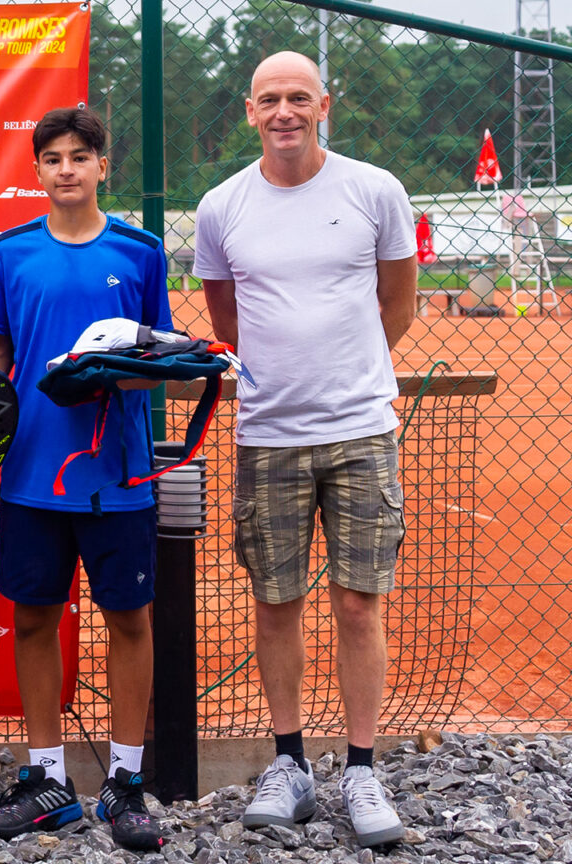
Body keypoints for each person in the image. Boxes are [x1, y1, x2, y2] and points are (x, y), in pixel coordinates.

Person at [0, 106, 169, 850]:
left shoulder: (142, 252)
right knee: (33, 620)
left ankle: (126, 784)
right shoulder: (11, 251)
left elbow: (155, 358)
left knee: (130, 621)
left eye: (80, 156)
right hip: (29, 474)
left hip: (118, 475)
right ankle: (48, 780)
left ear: (102, 166)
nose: (66, 169)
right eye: (53, 158)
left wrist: (112, 374)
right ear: (36, 170)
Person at [193, 51, 417, 849]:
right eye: (269, 99)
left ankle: (360, 769)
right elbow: (226, 319)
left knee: (359, 604)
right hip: (269, 436)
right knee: (275, 602)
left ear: (325, 104)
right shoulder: (221, 206)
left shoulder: (375, 190)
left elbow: (398, 302)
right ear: (250, 111)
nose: (284, 111)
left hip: (361, 430)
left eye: (299, 97)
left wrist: (345, 376)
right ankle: (288, 764)